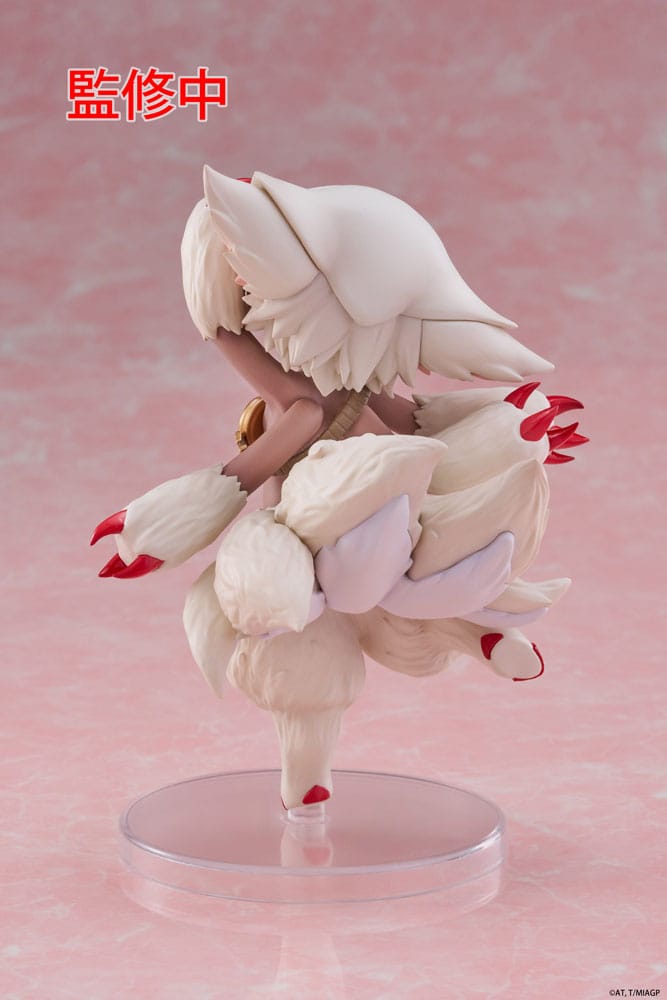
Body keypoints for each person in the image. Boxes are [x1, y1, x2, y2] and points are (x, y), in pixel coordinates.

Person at [92, 168, 586, 809]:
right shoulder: (284, 367)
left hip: (380, 490)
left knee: (421, 558)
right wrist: (186, 510)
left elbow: (406, 414)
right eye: (239, 271)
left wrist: (508, 423)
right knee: (316, 632)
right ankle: (314, 768)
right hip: (306, 512)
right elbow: (292, 411)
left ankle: (481, 633)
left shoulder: (347, 368)